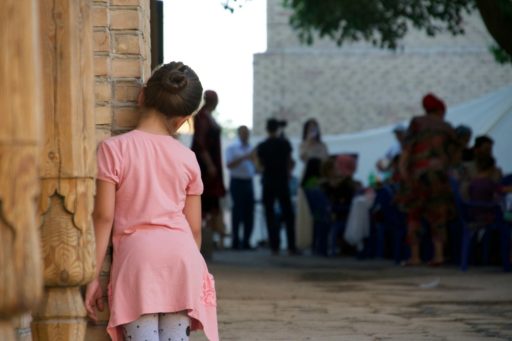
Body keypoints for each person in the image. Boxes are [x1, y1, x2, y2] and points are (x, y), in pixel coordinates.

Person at [84, 62, 218, 341]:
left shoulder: (113, 149)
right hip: (181, 259)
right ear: (182, 119)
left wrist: (92, 276)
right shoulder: (187, 158)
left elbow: (104, 218)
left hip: (139, 263)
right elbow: (194, 230)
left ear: (142, 95)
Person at [398, 93, 459, 267]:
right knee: (438, 215)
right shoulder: (447, 127)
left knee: (414, 215)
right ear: (440, 110)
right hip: (439, 177)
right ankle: (438, 255)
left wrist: (404, 173)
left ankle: (415, 257)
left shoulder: (417, 123)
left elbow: (407, 151)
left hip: (417, 176)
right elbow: (455, 156)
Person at [256, 118, 298, 255]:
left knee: (270, 214)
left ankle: (274, 246)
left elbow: (259, 165)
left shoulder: (262, 145)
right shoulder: (284, 143)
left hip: (268, 181)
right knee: (288, 213)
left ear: (267, 129)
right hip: (282, 181)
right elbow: (291, 162)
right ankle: (291, 246)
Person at [191, 90, 227, 246]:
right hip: (206, 167)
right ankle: (203, 239)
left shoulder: (208, 117)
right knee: (205, 200)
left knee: (212, 202)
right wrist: (210, 164)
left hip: (212, 165)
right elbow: (200, 143)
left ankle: (212, 238)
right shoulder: (202, 117)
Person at [225, 125, 256, 250]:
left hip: (249, 181)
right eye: (243, 133)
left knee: (249, 212)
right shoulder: (232, 148)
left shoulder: (252, 148)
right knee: (237, 212)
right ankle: (235, 241)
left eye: (247, 133)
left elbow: (256, 166)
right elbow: (229, 165)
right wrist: (244, 157)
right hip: (237, 182)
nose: (246, 135)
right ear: (239, 134)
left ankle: (246, 241)